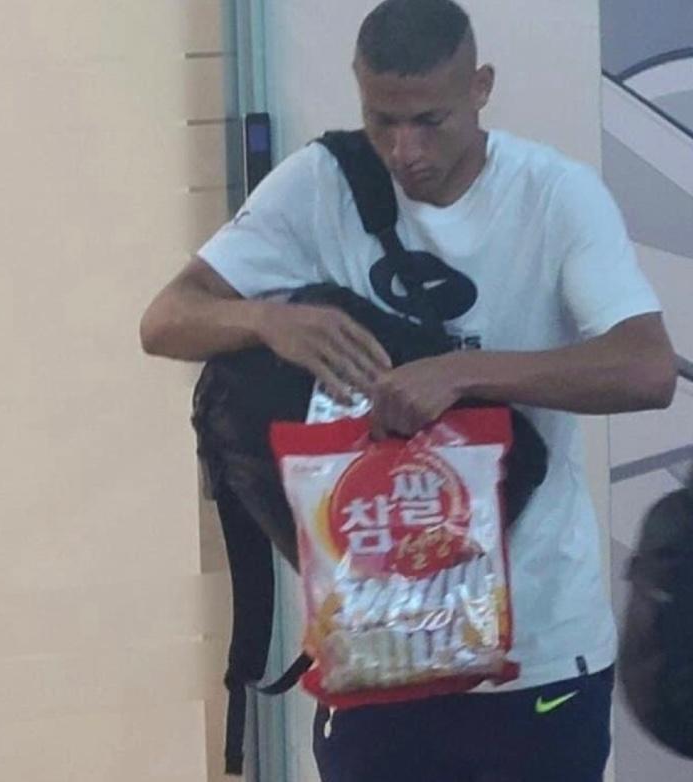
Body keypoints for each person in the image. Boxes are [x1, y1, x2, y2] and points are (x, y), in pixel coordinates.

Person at [141, 0, 678, 778]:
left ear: (480, 87)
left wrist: (462, 371)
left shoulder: (555, 195)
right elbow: (166, 319)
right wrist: (264, 320)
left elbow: (646, 368)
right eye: (381, 120)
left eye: (431, 121)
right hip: (372, 650)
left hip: (538, 648)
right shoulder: (320, 185)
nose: (405, 150)